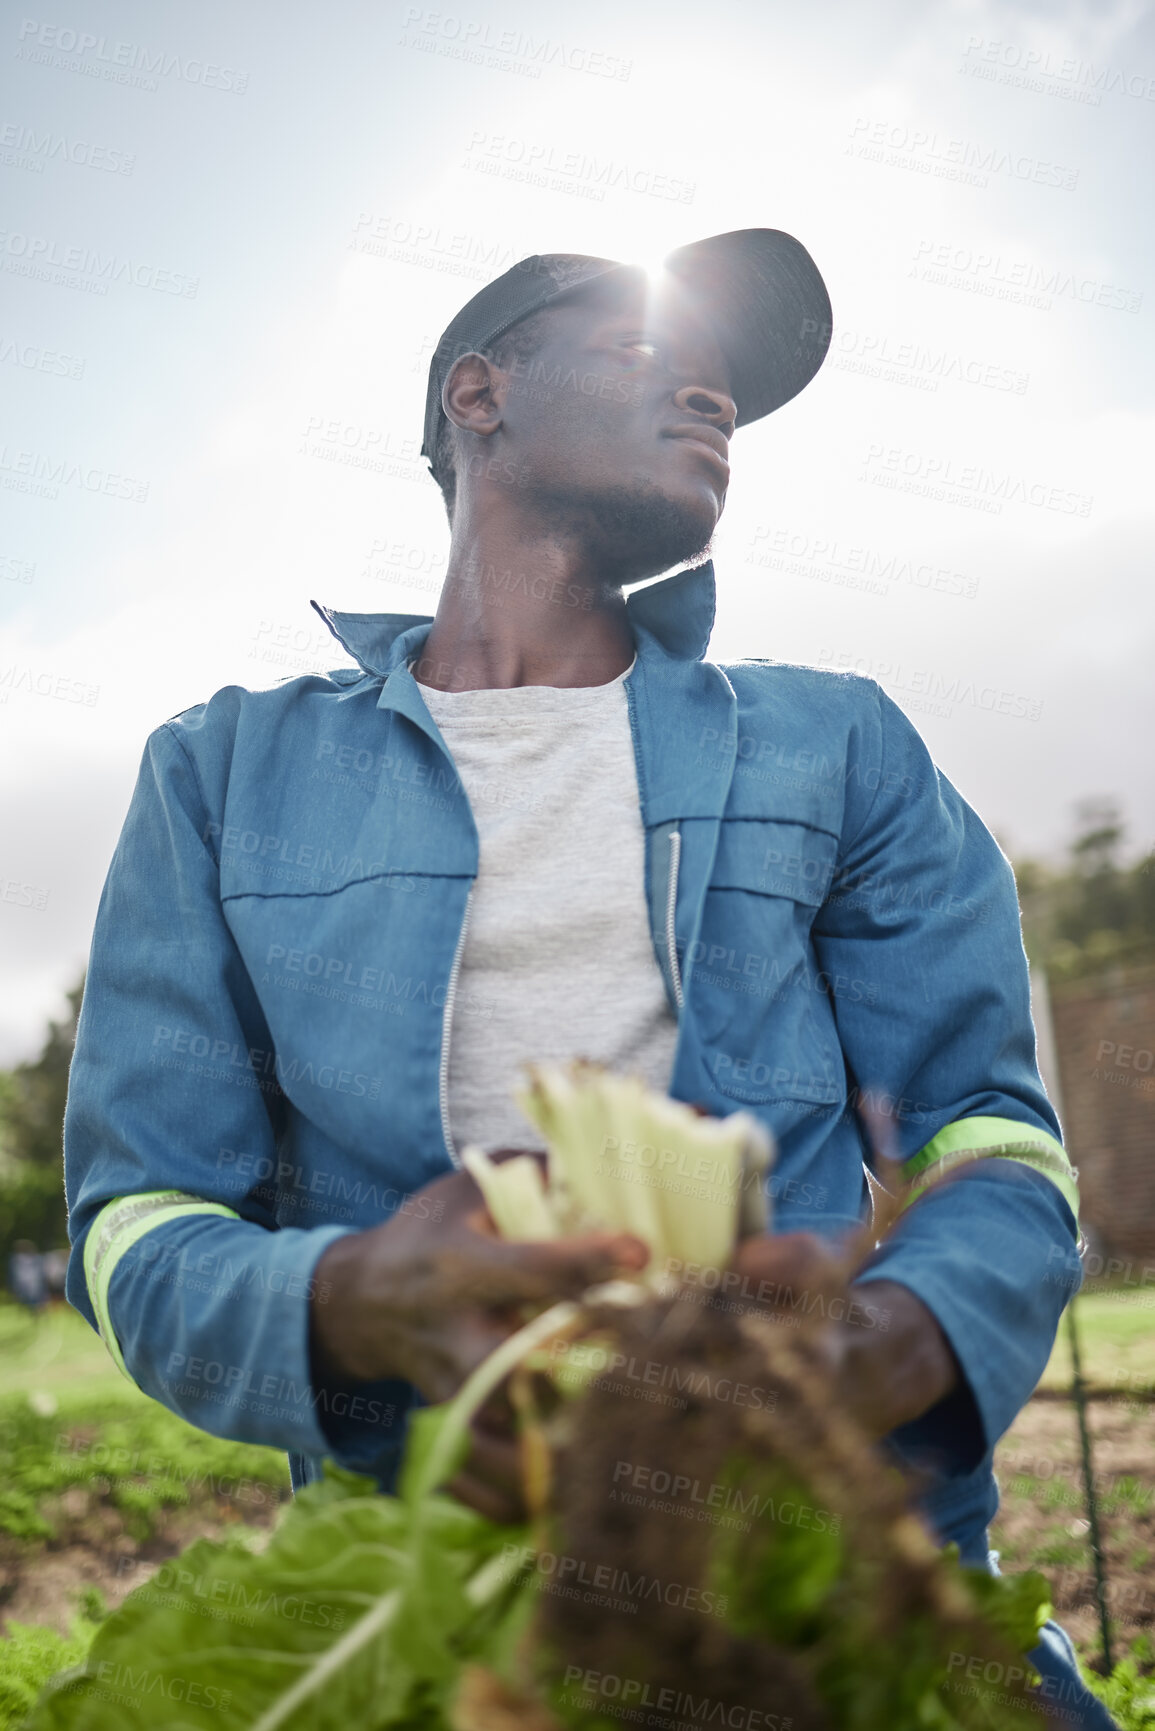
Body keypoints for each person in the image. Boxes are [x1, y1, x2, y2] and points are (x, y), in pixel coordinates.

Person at [63, 231, 1113, 1726]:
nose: (711, 391)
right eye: (644, 347)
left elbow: (994, 1142)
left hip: (830, 1565)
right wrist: (349, 1300)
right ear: (477, 393)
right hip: (425, 1577)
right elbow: (138, 1216)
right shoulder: (222, 772)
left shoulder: (841, 745)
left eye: (731, 385)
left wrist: (879, 1350)